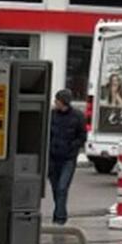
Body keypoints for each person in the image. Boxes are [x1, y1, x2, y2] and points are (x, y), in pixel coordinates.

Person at [48, 89, 86, 225]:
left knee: (62, 187)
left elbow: (82, 136)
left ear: (63, 102)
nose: (55, 102)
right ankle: (59, 213)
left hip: (68, 159)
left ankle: (59, 218)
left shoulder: (77, 116)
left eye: (57, 100)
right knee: (55, 188)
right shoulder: (52, 115)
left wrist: (72, 147)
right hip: (52, 157)